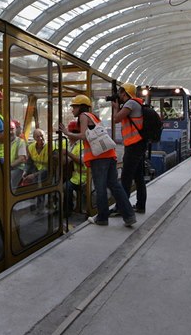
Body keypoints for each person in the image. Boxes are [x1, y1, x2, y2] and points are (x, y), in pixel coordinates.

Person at [58, 95, 136, 227]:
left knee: (100, 188)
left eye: (74, 107)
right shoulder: (93, 116)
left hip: (99, 159)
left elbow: (83, 136)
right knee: (115, 186)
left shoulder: (83, 116)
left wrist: (67, 133)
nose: (72, 110)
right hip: (109, 155)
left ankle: (102, 218)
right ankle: (129, 216)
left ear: (80, 107)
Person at [111, 82, 146, 214]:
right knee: (138, 176)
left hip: (134, 145)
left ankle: (122, 208)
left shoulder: (130, 104)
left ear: (125, 93)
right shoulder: (136, 103)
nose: (118, 95)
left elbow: (116, 119)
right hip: (138, 144)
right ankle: (141, 205)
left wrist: (115, 107)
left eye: (120, 93)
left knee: (125, 177)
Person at [64, 120, 87, 216]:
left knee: (66, 187)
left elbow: (82, 161)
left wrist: (68, 153)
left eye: (70, 133)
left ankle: (68, 210)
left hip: (82, 176)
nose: (68, 135)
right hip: (72, 174)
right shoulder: (69, 144)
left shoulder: (82, 145)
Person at [9, 121, 27, 191]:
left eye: (12, 129)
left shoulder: (20, 142)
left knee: (9, 184)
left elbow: (22, 159)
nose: (10, 132)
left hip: (17, 168)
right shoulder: (2, 142)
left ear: (15, 130)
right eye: (8, 130)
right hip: (6, 169)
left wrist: (8, 167)